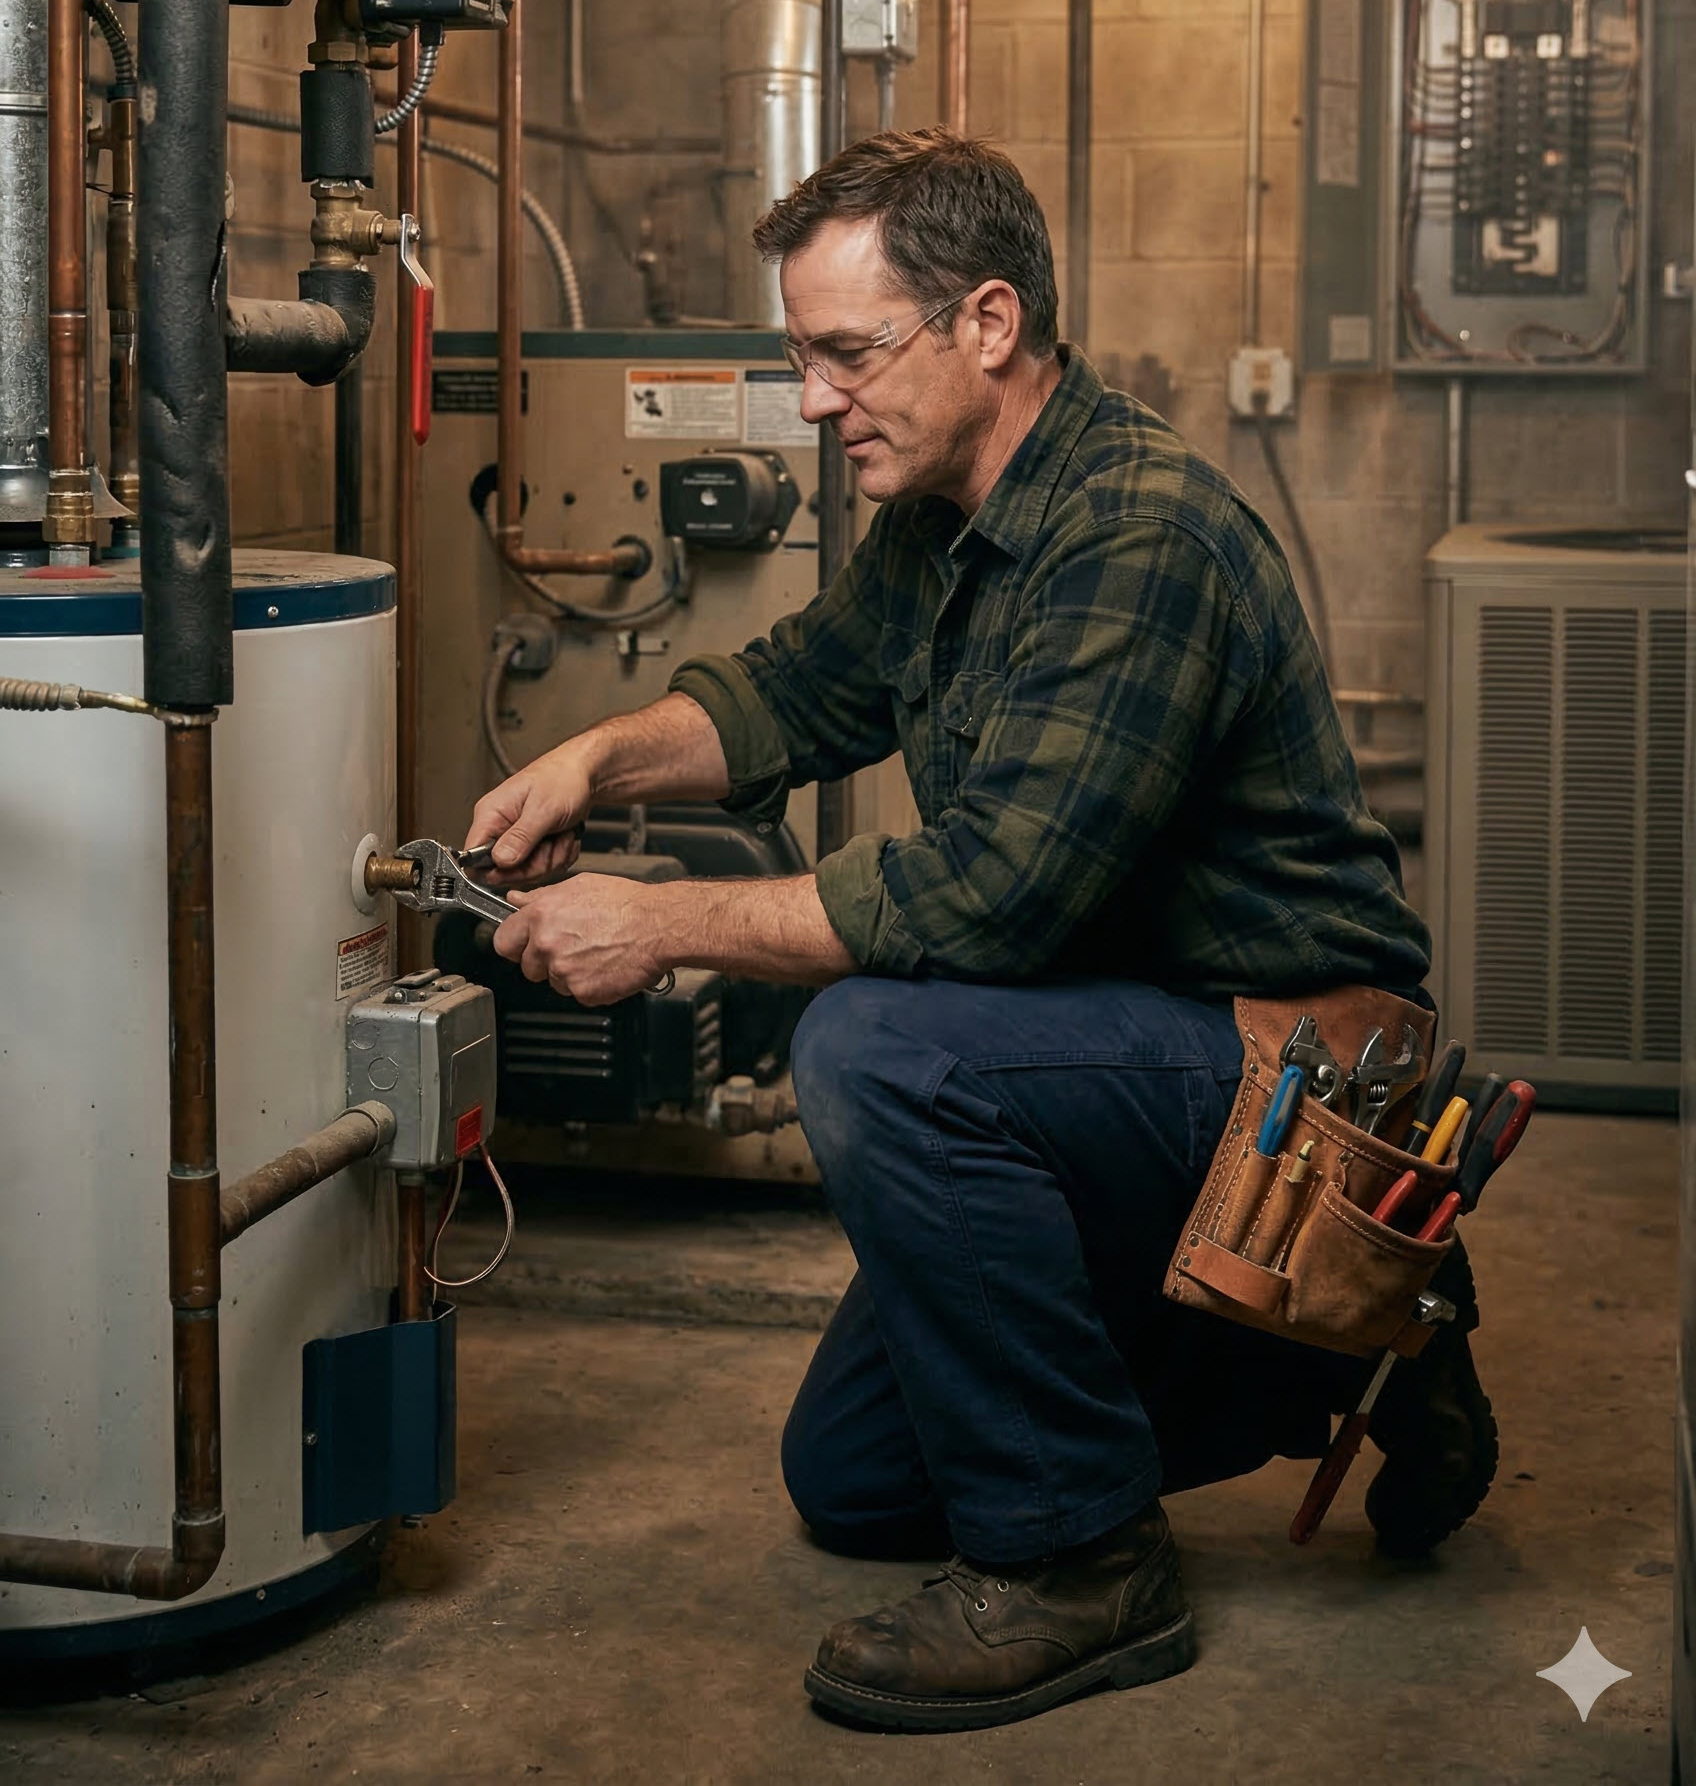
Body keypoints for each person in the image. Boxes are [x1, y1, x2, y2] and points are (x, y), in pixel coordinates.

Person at [465, 127, 1495, 1737]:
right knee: (856, 1481)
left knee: (883, 1042)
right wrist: (596, 754)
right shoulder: (944, 516)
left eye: (845, 353)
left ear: (990, 325)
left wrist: (665, 923)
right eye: (800, 356)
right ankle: (1340, 1350)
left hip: (1289, 1071)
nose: (814, 400)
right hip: (1116, 1045)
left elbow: (993, 897)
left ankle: (1090, 1564)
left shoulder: (1135, 538)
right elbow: (795, 690)